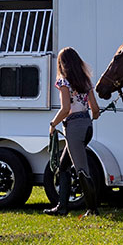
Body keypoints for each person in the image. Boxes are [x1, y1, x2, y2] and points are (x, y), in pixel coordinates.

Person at [44, 46, 102, 216]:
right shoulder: (86, 81)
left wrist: (53, 124)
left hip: (74, 128)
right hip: (87, 126)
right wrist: (90, 116)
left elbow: (65, 108)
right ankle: (61, 207)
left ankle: (92, 209)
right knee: (63, 166)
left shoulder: (64, 82)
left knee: (81, 169)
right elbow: (96, 110)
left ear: (62, 64)